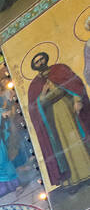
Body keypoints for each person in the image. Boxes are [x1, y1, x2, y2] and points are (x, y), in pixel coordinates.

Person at [27, 51, 90, 186]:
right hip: (53, 119)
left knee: (78, 140)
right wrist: (43, 93)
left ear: (46, 59)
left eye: (41, 59)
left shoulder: (60, 69)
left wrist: (77, 99)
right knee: (64, 147)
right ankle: (72, 180)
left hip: (70, 110)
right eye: (37, 62)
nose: (40, 63)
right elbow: (33, 108)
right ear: (35, 66)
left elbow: (75, 83)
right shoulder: (34, 86)